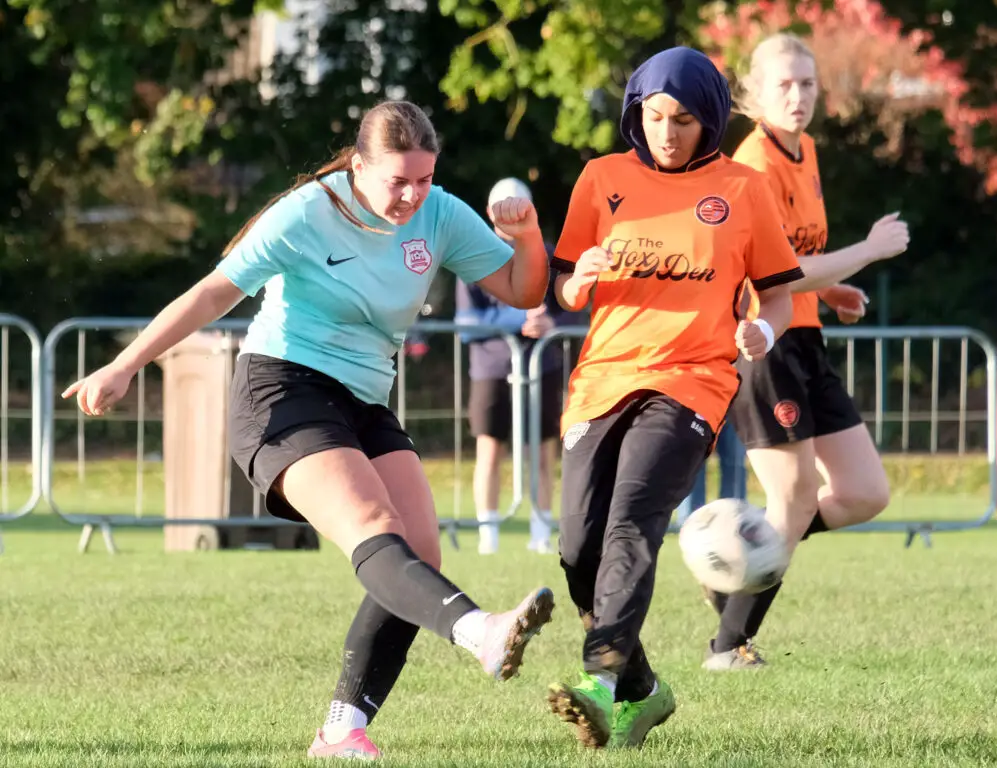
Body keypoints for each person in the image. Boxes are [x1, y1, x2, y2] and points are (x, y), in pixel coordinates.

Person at [62, 100, 556, 761]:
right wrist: (125, 365)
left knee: (419, 555)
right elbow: (214, 292)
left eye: (424, 179)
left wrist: (525, 235)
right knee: (376, 527)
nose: (413, 195)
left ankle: (339, 730)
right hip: (281, 390)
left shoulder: (438, 213)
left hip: (363, 399)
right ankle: (480, 631)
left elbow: (522, 290)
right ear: (358, 166)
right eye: (397, 181)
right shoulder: (306, 213)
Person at [544, 47, 805, 749]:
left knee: (631, 517)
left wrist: (761, 328)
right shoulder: (601, 179)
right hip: (601, 382)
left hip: (692, 381)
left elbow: (778, 295)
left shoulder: (743, 189)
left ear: (710, 118)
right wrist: (581, 279)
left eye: (683, 119)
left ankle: (599, 680)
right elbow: (564, 286)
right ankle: (643, 690)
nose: (666, 132)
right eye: (653, 117)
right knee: (577, 549)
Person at [701, 34, 910, 671]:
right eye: (784, 85)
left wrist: (837, 286)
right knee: (791, 500)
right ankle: (727, 646)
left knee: (865, 492)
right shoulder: (755, 163)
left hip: (806, 336)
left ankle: (734, 559)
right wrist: (869, 250)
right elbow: (782, 276)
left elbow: (790, 263)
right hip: (765, 343)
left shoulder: (808, 150)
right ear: (754, 95)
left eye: (808, 84)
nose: (798, 96)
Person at [456, 177, 576, 555]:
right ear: (490, 214)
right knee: (489, 450)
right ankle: (488, 531)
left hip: (544, 367)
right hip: (492, 368)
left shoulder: (551, 254)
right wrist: (518, 320)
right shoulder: (474, 255)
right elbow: (464, 324)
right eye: (501, 210)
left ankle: (541, 529)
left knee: (543, 451)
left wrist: (551, 326)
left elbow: (576, 312)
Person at [675, 419, 747, 521]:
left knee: (734, 463)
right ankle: (691, 519)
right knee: (694, 462)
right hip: (702, 409)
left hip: (732, 410)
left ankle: (733, 517)